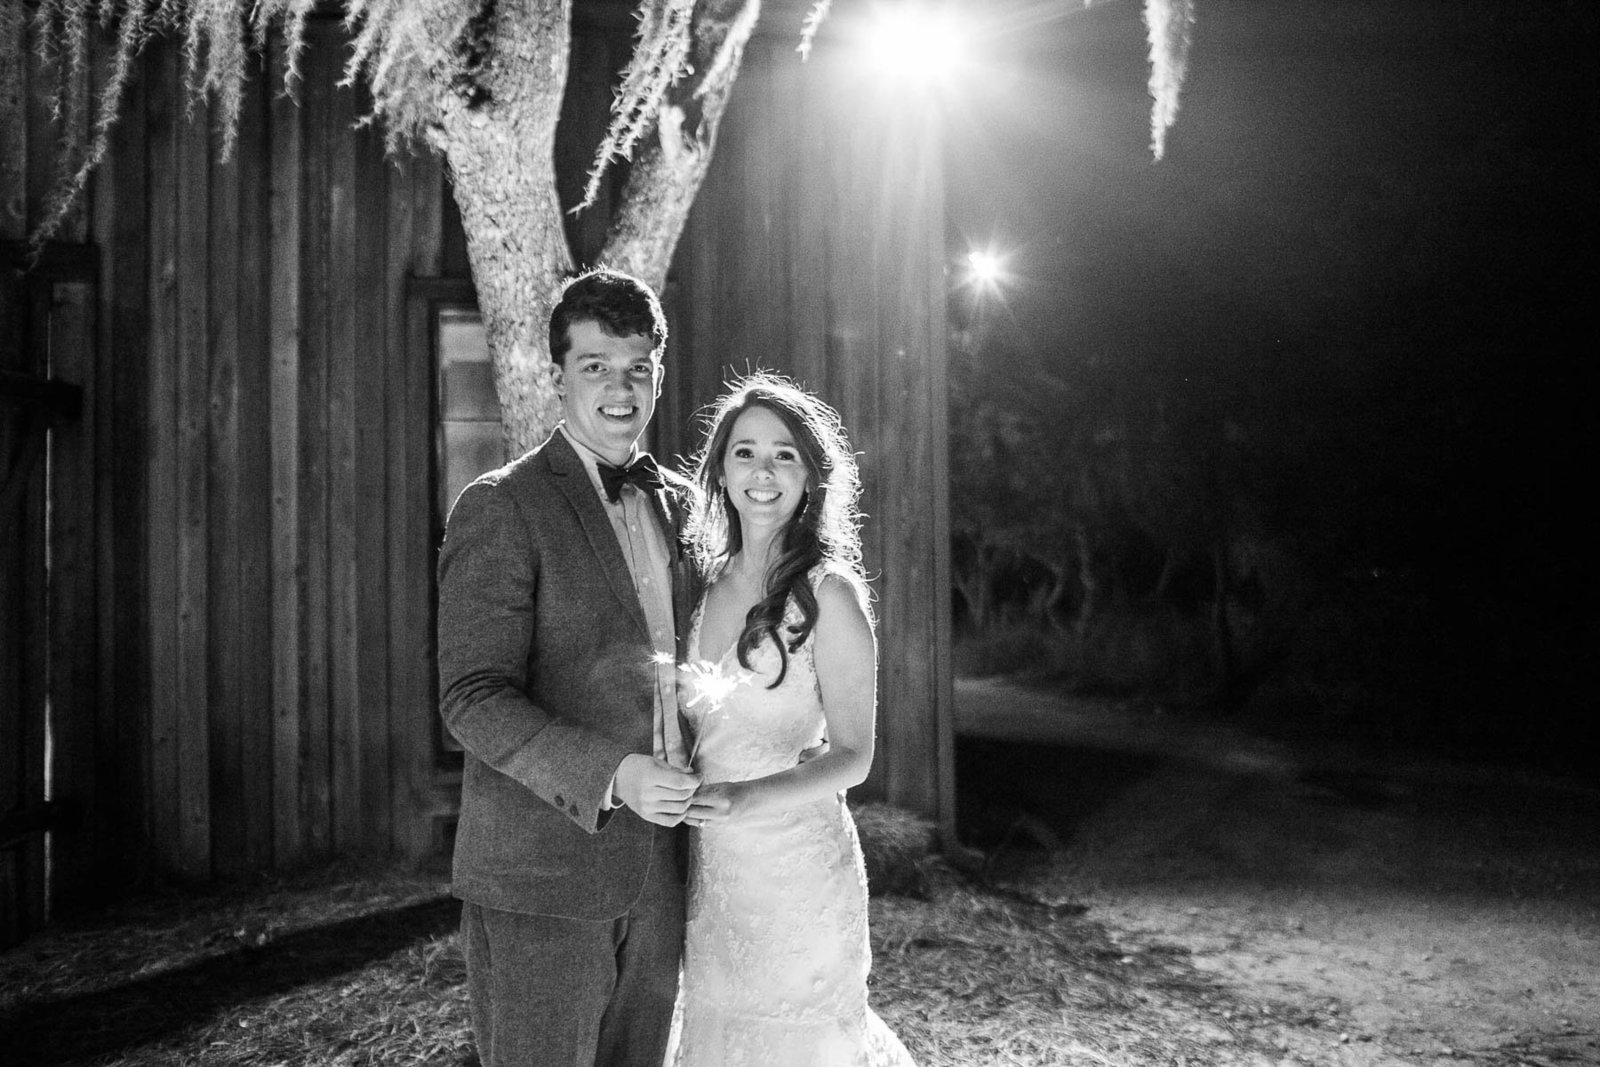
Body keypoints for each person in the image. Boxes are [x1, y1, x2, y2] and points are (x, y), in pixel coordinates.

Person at [436, 267, 702, 1067]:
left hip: (663, 870)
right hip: (540, 880)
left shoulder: (686, 507)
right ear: (557, 379)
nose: (620, 389)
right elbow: (471, 696)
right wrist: (614, 772)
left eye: (637, 368)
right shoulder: (502, 505)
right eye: (595, 367)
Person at [666, 373, 917, 1066]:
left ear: (811, 474)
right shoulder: (705, 582)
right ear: (720, 468)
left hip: (798, 874)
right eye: (745, 452)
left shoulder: (829, 595)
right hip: (717, 875)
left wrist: (745, 796)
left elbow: (854, 755)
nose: (763, 471)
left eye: (784, 454)